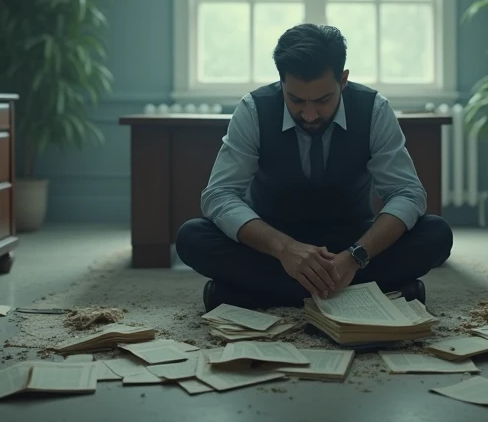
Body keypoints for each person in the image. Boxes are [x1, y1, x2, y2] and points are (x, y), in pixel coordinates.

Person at [175, 23, 454, 312]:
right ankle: (376, 293)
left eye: (323, 100)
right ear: (281, 81)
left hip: (352, 242)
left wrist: (357, 255)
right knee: (192, 237)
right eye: (295, 99)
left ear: (343, 80)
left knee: (436, 234)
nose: (309, 114)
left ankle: (247, 295)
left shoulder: (374, 109)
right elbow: (219, 195)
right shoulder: (253, 110)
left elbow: (407, 193)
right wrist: (285, 249)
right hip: (272, 246)